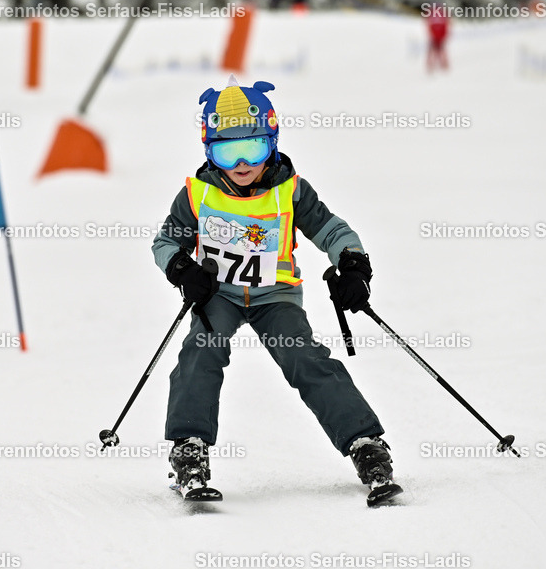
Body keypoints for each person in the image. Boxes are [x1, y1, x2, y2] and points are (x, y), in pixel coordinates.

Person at [150, 76, 401, 505]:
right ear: (209, 150)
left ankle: (365, 445)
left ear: (273, 142)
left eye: (255, 148)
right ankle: (189, 448)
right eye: (228, 151)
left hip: (276, 296)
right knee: (201, 350)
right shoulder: (197, 193)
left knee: (305, 358)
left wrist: (352, 263)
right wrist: (181, 269)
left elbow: (333, 230)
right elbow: (166, 242)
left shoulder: (291, 190)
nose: (243, 162)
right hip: (219, 296)